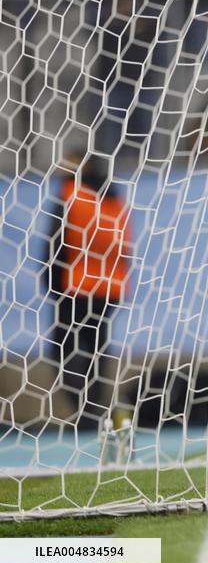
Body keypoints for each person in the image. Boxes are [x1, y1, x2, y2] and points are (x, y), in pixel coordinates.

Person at [49, 151, 131, 430]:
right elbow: (124, 246)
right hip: (108, 288)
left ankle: (83, 411)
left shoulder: (70, 193)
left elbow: (56, 241)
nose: (61, 166)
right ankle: (94, 410)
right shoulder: (115, 200)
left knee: (62, 350)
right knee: (97, 349)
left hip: (74, 286)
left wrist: (50, 282)